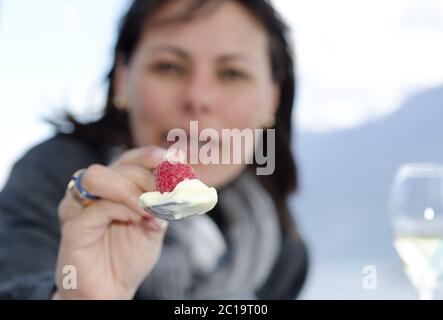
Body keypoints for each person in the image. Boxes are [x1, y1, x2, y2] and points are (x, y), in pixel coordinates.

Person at [0, 0, 308, 299]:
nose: (198, 97)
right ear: (122, 80)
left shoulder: (282, 251)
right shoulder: (54, 177)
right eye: (169, 67)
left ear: (272, 100)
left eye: (232, 73)